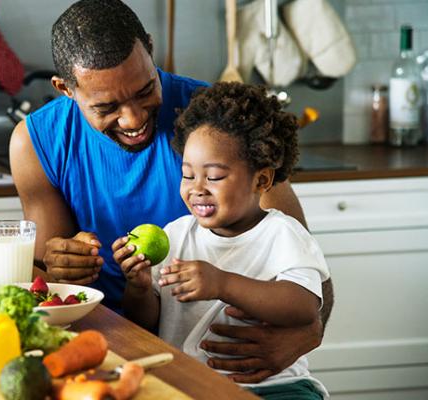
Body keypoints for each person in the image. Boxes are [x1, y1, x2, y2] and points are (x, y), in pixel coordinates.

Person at [9, 0, 334, 384]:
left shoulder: (216, 124)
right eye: (107, 106)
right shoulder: (36, 142)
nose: (134, 119)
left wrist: (306, 335)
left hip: (221, 364)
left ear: (150, 48)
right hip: (95, 348)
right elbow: (48, 284)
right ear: (66, 89)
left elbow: (309, 272)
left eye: (146, 89)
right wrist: (58, 260)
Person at [113, 82, 330, 399]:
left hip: (274, 388)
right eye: (188, 174)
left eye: (213, 177)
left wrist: (222, 284)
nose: (197, 188)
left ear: (261, 179)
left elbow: (304, 307)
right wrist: (140, 287)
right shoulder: (176, 235)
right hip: (189, 386)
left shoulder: (281, 234)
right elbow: (146, 321)